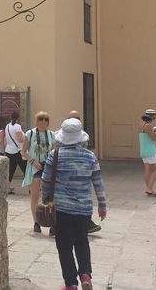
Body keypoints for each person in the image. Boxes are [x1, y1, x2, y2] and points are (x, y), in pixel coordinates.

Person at [42, 118, 106, 290]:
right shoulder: (90, 156)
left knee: (64, 246)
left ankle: (70, 283)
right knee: (82, 241)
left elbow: (46, 180)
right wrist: (102, 205)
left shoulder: (55, 155)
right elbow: (98, 182)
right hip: (84, 209)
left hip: (62, 209)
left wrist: (45, 199)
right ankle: (85, 274)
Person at [21, 111, 55, 234]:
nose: (43, 122)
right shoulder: (30, 134)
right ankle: (36, 222)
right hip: (35, 166)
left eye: (46, 119)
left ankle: (52, 222)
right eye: (41, 119)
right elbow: (23, 151)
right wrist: (32, 161)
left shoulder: (52, 135)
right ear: (37, 121)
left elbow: (54, 151)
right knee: (35, 195)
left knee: (51, 196)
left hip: (48, 166)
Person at [139, 109, 156, 197]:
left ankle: (149, 188)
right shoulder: (148, 126)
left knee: (147, 168)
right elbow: (154, 138)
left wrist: (154, 129)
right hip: (150, 150)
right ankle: (149, 188)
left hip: (143, 149)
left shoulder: (141, 124)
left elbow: (148, 134)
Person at [4, 111, 26, 194]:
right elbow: (20, 139)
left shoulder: (7, 126)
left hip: (9, 150)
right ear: (18, 118)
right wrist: (27, 139)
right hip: (17, 151)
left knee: (11, 170)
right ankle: (31, 187)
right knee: (25, 169)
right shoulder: (17, 127)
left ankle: (8, 187)